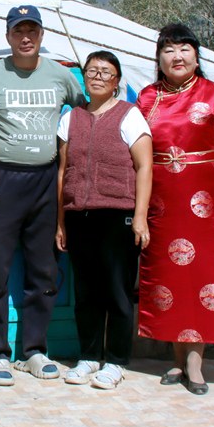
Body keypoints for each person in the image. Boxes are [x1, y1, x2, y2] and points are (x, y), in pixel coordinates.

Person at [136, 23, 214, 396]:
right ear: (158, 58)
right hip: (161, 202)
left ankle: (196, 362)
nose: (177, 56)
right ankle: (176, 357)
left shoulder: (212, 94)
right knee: (169, 279)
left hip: (205, 202)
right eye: (169, 50)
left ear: (197, 56)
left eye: (184, 49)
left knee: (201, 276)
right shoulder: (148, 98)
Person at [0, 5, 87, 387]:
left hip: (46, 180)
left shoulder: (61, 74)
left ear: (42, 35)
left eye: (33, 30)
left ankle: (34, 349)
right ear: (8, 36)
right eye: (18, 31)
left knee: (44, 268)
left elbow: (89, 109)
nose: (26, 37)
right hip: (2, 178)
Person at [55, 51, 153, 390]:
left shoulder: (130, 116)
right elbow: (63, 170)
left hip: (118, 214)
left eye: (105, 72)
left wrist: (140, 217)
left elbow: (144, 167)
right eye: (92, 71)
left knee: (117, 290)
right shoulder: (72, 118)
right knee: (86, 291)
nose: (97, 76)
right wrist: (60, 221)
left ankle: (115, 360)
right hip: (79, 214)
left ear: (116, 82)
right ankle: (88, 356)